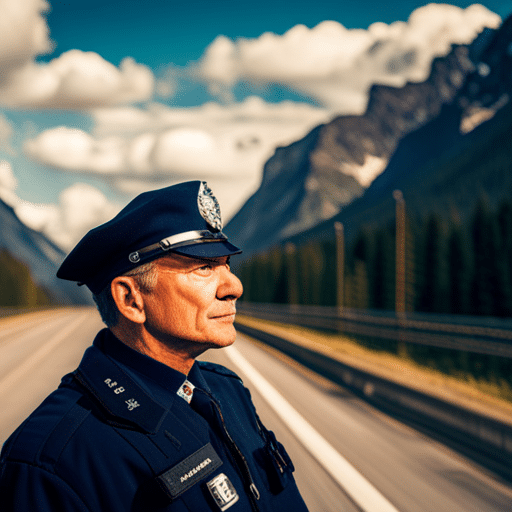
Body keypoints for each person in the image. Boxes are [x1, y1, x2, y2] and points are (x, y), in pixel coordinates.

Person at [0, 181, 309, 511]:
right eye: (204, 267)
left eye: (226, 264)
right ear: (131, 300)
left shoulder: (229, 392)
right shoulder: (51, 463)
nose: (234, 286)